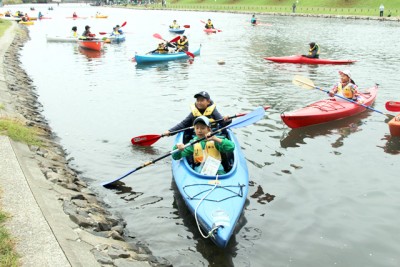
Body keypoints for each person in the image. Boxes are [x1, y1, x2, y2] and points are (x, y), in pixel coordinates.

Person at [164, 91, 231, 136]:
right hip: (197, 136)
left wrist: (228, 120)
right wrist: (170, 131)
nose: (199, 102)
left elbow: (223, 123)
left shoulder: (213, 111)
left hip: (212, 134)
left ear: (208, 101)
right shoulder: (193, 113)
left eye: (202, 100)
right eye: (197, 100)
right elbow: (183, 124)